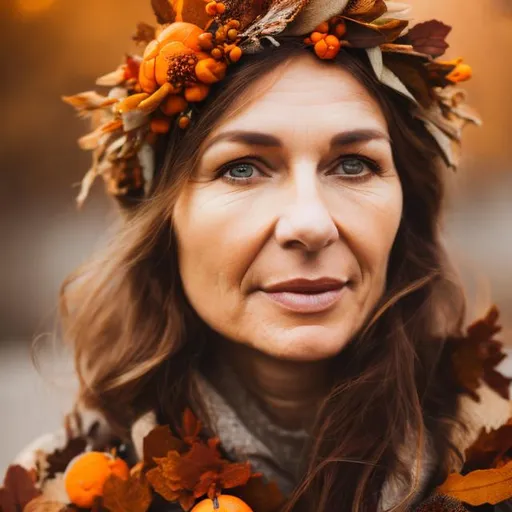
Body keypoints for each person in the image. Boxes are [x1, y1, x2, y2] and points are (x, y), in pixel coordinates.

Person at [3, 1, 512, 511]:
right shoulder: (62, 492)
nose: (310, 224)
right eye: (243, 168)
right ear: (163, 219)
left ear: (407, 206)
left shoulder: (496, 461)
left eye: (354, 164)